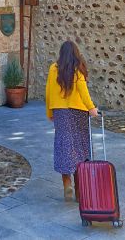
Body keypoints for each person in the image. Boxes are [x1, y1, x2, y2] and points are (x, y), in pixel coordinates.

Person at [45, 39, 98, 201]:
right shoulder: (78, 69)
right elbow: (83, 91)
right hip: (78, 113)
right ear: (75, 53)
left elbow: (48, 92)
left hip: (60, 112)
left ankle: (67, 184)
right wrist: (91, 108)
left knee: (64, 146)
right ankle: (80, 190)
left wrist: (49, 112)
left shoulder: (54, 69)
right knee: (79, 148)